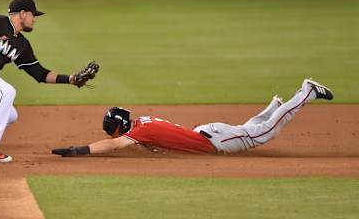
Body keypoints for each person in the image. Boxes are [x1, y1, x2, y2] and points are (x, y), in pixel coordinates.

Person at [0, 0, 99, 163]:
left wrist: (71, 79)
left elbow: (40, 74)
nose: (35, 20)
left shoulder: (22, 45)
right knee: (6, 91)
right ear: (23, 14)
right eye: (33, 15)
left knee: (9, 114)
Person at [51, 79, 334, 157]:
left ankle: (306, 93)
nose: (113, 135)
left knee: (262, 134)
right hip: (209, 132)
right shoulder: (143, 123)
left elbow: (113, 146)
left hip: (215, 139)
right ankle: (275, 105)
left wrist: (80, 150)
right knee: (251, 130)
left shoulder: (139, 133)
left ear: (119, 128)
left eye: (111, 130)